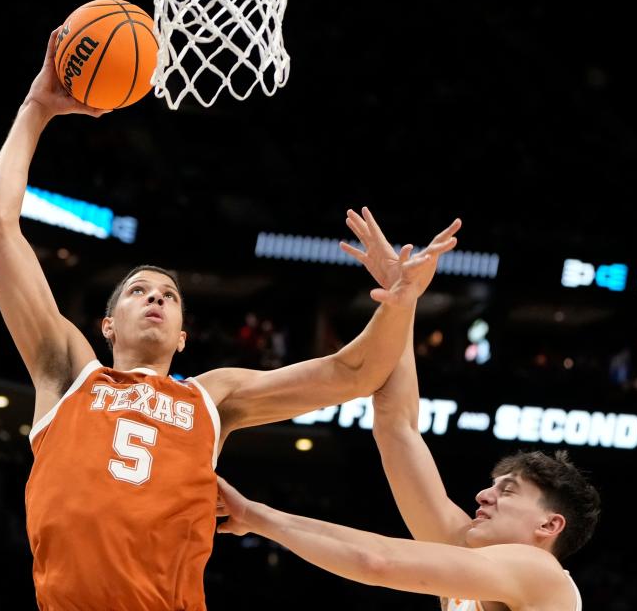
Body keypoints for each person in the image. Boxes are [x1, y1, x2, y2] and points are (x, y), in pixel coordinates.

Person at [0, 28, 460, 610]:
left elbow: (354, 372)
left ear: (182, 337)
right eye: (137, 291)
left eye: (169, 295)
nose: (154, 297)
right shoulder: (68, 373)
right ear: (106, 326)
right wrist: (35, 109)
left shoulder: (213, 397)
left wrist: (398, 300)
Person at [215, 211, 600, 611]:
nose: (483, 495)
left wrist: (256, 515)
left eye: (508, 491)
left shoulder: (541, 572)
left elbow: (377, 562)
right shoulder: (465, 554)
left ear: (549, 525)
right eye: (494, 485)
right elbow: (396, 426)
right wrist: (402, 299)